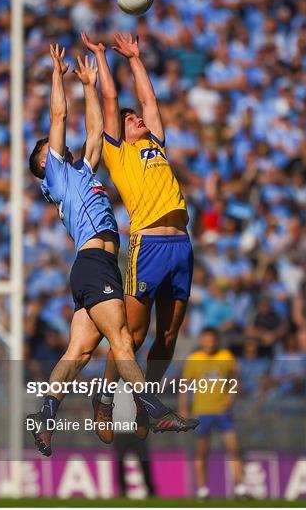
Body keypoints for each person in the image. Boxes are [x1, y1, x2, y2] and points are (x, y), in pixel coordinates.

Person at [26, 44, 199, 456]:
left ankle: (45, 413)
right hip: (94, 263)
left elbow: (92, 130)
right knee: (122, 340)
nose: (58, 148)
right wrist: (57, 75)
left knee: (79, 350)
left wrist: (87, 83)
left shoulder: (82, 170)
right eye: (48, 150)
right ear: (44, 166)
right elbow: (60, 117)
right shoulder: (55, 177)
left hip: (96, 266)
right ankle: (153, 409)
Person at [81, 32, 194, 441]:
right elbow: (112, 103)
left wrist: (136, 59)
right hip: (148, 246)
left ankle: (151, 405)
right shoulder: (119, 153)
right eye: (130, 121)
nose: (137, 120)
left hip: (181, 245)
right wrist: (101, 57)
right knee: (132, 334)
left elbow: (150, 102)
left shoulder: (156, 144)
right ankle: (106, 401)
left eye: (136, 118)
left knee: (167, 336)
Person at [179, 327, 247, 500]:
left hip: (223, 411)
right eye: (206, 339)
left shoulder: (225, 356)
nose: (209, 343)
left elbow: (235, 378)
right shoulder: (194, 359)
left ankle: (240, 488)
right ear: (202, 341)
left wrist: (231, 397)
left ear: (216, 340)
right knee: (202, 451)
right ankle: (202, 489)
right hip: (202, 411)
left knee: (234, 448)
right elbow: (184, 386)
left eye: (212, 339)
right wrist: (183, 408)